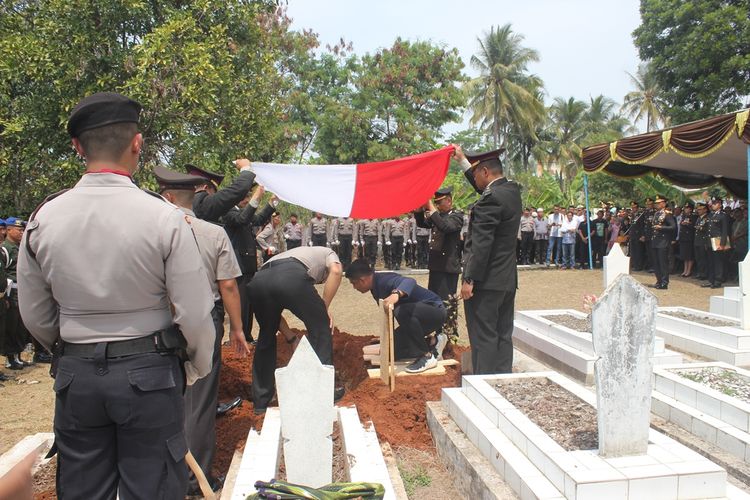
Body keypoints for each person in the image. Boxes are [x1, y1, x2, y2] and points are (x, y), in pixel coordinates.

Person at [17, 92, 216, 499]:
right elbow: (195, 311)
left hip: (77, 376)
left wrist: (75, 345)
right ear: (137, 144)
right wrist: (196, 365)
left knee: (84, 489)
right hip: (151, 373)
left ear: (77, 147)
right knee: (155, 488)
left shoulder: (43, 219)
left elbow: (34, 313)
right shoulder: (163, 218)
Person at [154, 165, 249, 495]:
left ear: (166, 196)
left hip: (157, 325)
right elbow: (228, 286)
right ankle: (195, 479)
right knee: (199, 402)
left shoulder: (146, 230)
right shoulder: (213, 233)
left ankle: (164, 473)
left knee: (164, 398)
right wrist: (237, 329)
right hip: (203, 321)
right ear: (193, 198)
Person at [247, 246, 345, 414]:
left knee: (266, 335)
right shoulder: (329, 252)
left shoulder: (296, 253)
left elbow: (275, 315)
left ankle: (261, 402)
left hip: (258, 281)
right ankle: (322, 393)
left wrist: (292, 339)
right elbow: (336, 271)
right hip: (291, 276)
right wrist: (323, 308)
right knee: (321, 327)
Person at [454, 146, 521, 375]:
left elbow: (481, 246)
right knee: (503, 334)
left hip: (485, 282)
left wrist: (469, 279)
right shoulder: (511, 192)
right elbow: (485, 190)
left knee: (483, 337)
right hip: (506, 281)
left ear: (484, 172)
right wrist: (462, 160)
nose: (474, 179)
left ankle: (484, 386)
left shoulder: (490, 201)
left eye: (475, 174)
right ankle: (503, 381)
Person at [346, 259, 447, 373]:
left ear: (362, 280)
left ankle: (427, 357)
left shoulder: (384, 280)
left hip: (435, 311)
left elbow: (410, 281)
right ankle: (434, 342)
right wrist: (387, 337)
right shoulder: (375, 288)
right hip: (416, 320)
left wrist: (396, 294)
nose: (354, 287)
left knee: (401, 311)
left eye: (354, 283)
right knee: (391, 352)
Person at [221, 185, 276, 344]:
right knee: (241, 305)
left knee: (249, 305)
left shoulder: (243, 213)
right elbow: (242, 219)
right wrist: (256, 199)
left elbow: (257, 219)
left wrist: (272, 204)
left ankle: (248, 336)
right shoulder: (229, 212)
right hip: (239, 267)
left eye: (248, 197)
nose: (247, 200)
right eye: (245, 197)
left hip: (248, 266)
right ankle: (239, 338)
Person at [2, 218, 32, 370]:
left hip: (22, 290)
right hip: (11, 291)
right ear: (8, 230)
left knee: (21, 325)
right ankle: (10, 357)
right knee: (12, 326)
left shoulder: (19, 247)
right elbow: (4, 273)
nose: (21, 232)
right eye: (18, 230)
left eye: (22, 230)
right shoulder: (5, 248)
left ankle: (18, 355)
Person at [189, 160, 256, 223]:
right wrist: (246, 167)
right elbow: (238, 190)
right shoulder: (201, 203)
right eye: (214, 192)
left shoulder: (184, 205)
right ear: (205, 188)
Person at [704, 198, 730, 289]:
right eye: (712, 203)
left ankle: (718, 280)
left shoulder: (723, 216)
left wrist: (722, 244)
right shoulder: (710, 215)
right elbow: (708, 230)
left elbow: (724, 231)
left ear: (719, 204)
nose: (713, 205)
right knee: (710, 261)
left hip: (718, 241)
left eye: (715, 204)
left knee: (718, 262)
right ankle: (711, 280)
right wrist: (706, 242)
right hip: (710, 241)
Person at [651, 195, 676, 289]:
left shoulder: (667, 214)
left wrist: (661, 227)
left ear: (663, 203)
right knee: (656, 262)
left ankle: (664, 282)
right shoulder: (656, 213)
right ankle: (659, 280)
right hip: (655, 240)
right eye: (656, 203)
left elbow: (673, 227)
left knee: (663, 263)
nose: (656, 205)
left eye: (658, 203)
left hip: (663, 241)